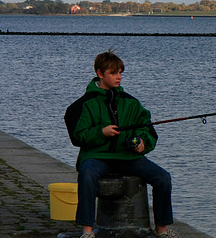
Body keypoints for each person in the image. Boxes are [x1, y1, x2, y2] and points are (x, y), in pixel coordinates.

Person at [65, 51, 172, 237]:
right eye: (114, 73)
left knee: (163, 178)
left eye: (120, 73)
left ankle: (162, 230)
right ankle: (87, 231)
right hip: (96, 157)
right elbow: (78, 136)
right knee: (87, 174)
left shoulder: (131, 103)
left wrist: (141, 143)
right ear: (100, 74)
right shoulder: (84, 104)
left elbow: (148, 131)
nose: (119, 77)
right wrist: (101, 132)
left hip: (128, 157)